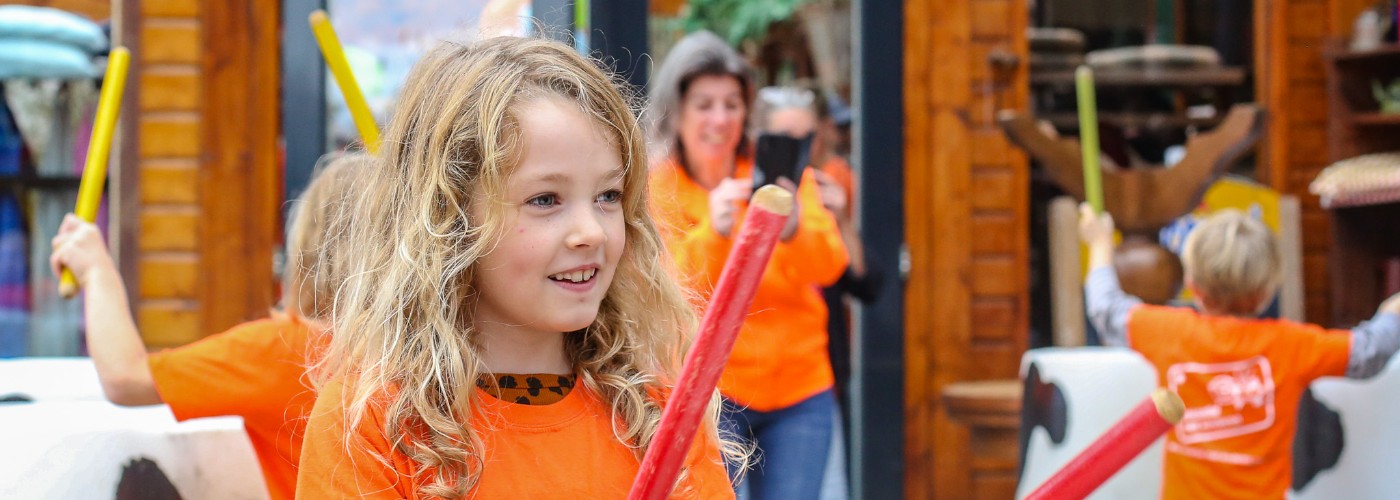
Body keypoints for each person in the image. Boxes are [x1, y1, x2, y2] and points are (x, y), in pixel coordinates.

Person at [295, 36, 735, 499]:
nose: (592, 231)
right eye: (545, 200)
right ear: (451, 220)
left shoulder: (656, 417)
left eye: (608, 196)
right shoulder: (377, 426)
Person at [47, 152, 368, 500]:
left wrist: (95, 271)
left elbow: (125, 377)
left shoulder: (286, 350)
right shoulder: (415, 354)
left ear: (307, 250)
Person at [645, 32, 849, 499]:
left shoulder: (777, 165)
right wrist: (712, 233)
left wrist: (794, 227)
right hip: (709, 394)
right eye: (704, 104)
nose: (720, 119)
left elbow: (830, 266)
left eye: (732, 104)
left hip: (798, 389)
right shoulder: (658, 186)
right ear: (676, 111)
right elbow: (662, 291)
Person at [1081, 206, 1400, 499]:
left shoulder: (1169, 332)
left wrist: (1099, 243)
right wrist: (1393, 313)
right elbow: (1368, 352)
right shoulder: (1292, 344)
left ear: (1193, 284)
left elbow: (1105, 308)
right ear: (1267, 290)